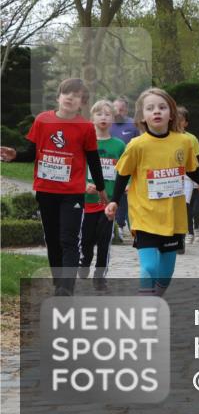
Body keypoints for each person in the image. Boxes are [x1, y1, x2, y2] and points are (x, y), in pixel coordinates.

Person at [103, 88, 199, 296]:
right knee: (149, 268)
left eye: (162, 107)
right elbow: (123, 174)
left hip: (173, 218)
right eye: (150, 108)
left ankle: (155, 298)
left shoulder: (183, 142)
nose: (157, 112)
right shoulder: (137, 145)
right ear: (142, 116)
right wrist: (114, 201)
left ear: (171, 114)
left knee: (165, 273)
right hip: (145, 216)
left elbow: (195, 172)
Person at [1, 78, 107, 295]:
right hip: (46, 191)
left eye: (76, 95)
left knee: (69, 239)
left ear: (82, 102)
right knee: (52, 239)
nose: (70, 97)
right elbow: (31, 153)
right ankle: (59, 284)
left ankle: (66, 288)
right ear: (58, 97)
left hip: (73, 193)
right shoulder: (42, 120)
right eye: (67, 93)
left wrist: (100, 187)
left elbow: (93, 159)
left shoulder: (85, 127)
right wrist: (15, 156)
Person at [79, 100, 125, 291]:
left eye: (107, 114)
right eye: (99, 113)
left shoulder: (119, 145)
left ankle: (100, 275)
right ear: (92, 119)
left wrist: (124, 189)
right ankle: (85, 262)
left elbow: (125, 171)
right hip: (87, 201)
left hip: (108, 202)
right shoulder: (85, 143)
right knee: (87, 239)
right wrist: (84, 185)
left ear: (113, 119)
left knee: (105, 240)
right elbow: (77, 168)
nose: (103, 117)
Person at [109, 96, 139, 242]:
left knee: (125, 198)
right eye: (116, 109)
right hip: (109, 167)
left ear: (126, 110)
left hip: (128, 168)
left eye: (121, 109)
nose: (118, 112)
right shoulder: (107, 124)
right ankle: (111, 227)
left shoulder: (133, 125)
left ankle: (121, 227)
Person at [178, 106, 199, 244]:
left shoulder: (191, 139)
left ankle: (192, 230)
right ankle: (184, 232)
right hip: (173, 177)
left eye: (181, 120)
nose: (178, 122)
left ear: (186, 123)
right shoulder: (166, 137)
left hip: (190, 176)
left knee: (189, 207)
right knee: (180, 206)